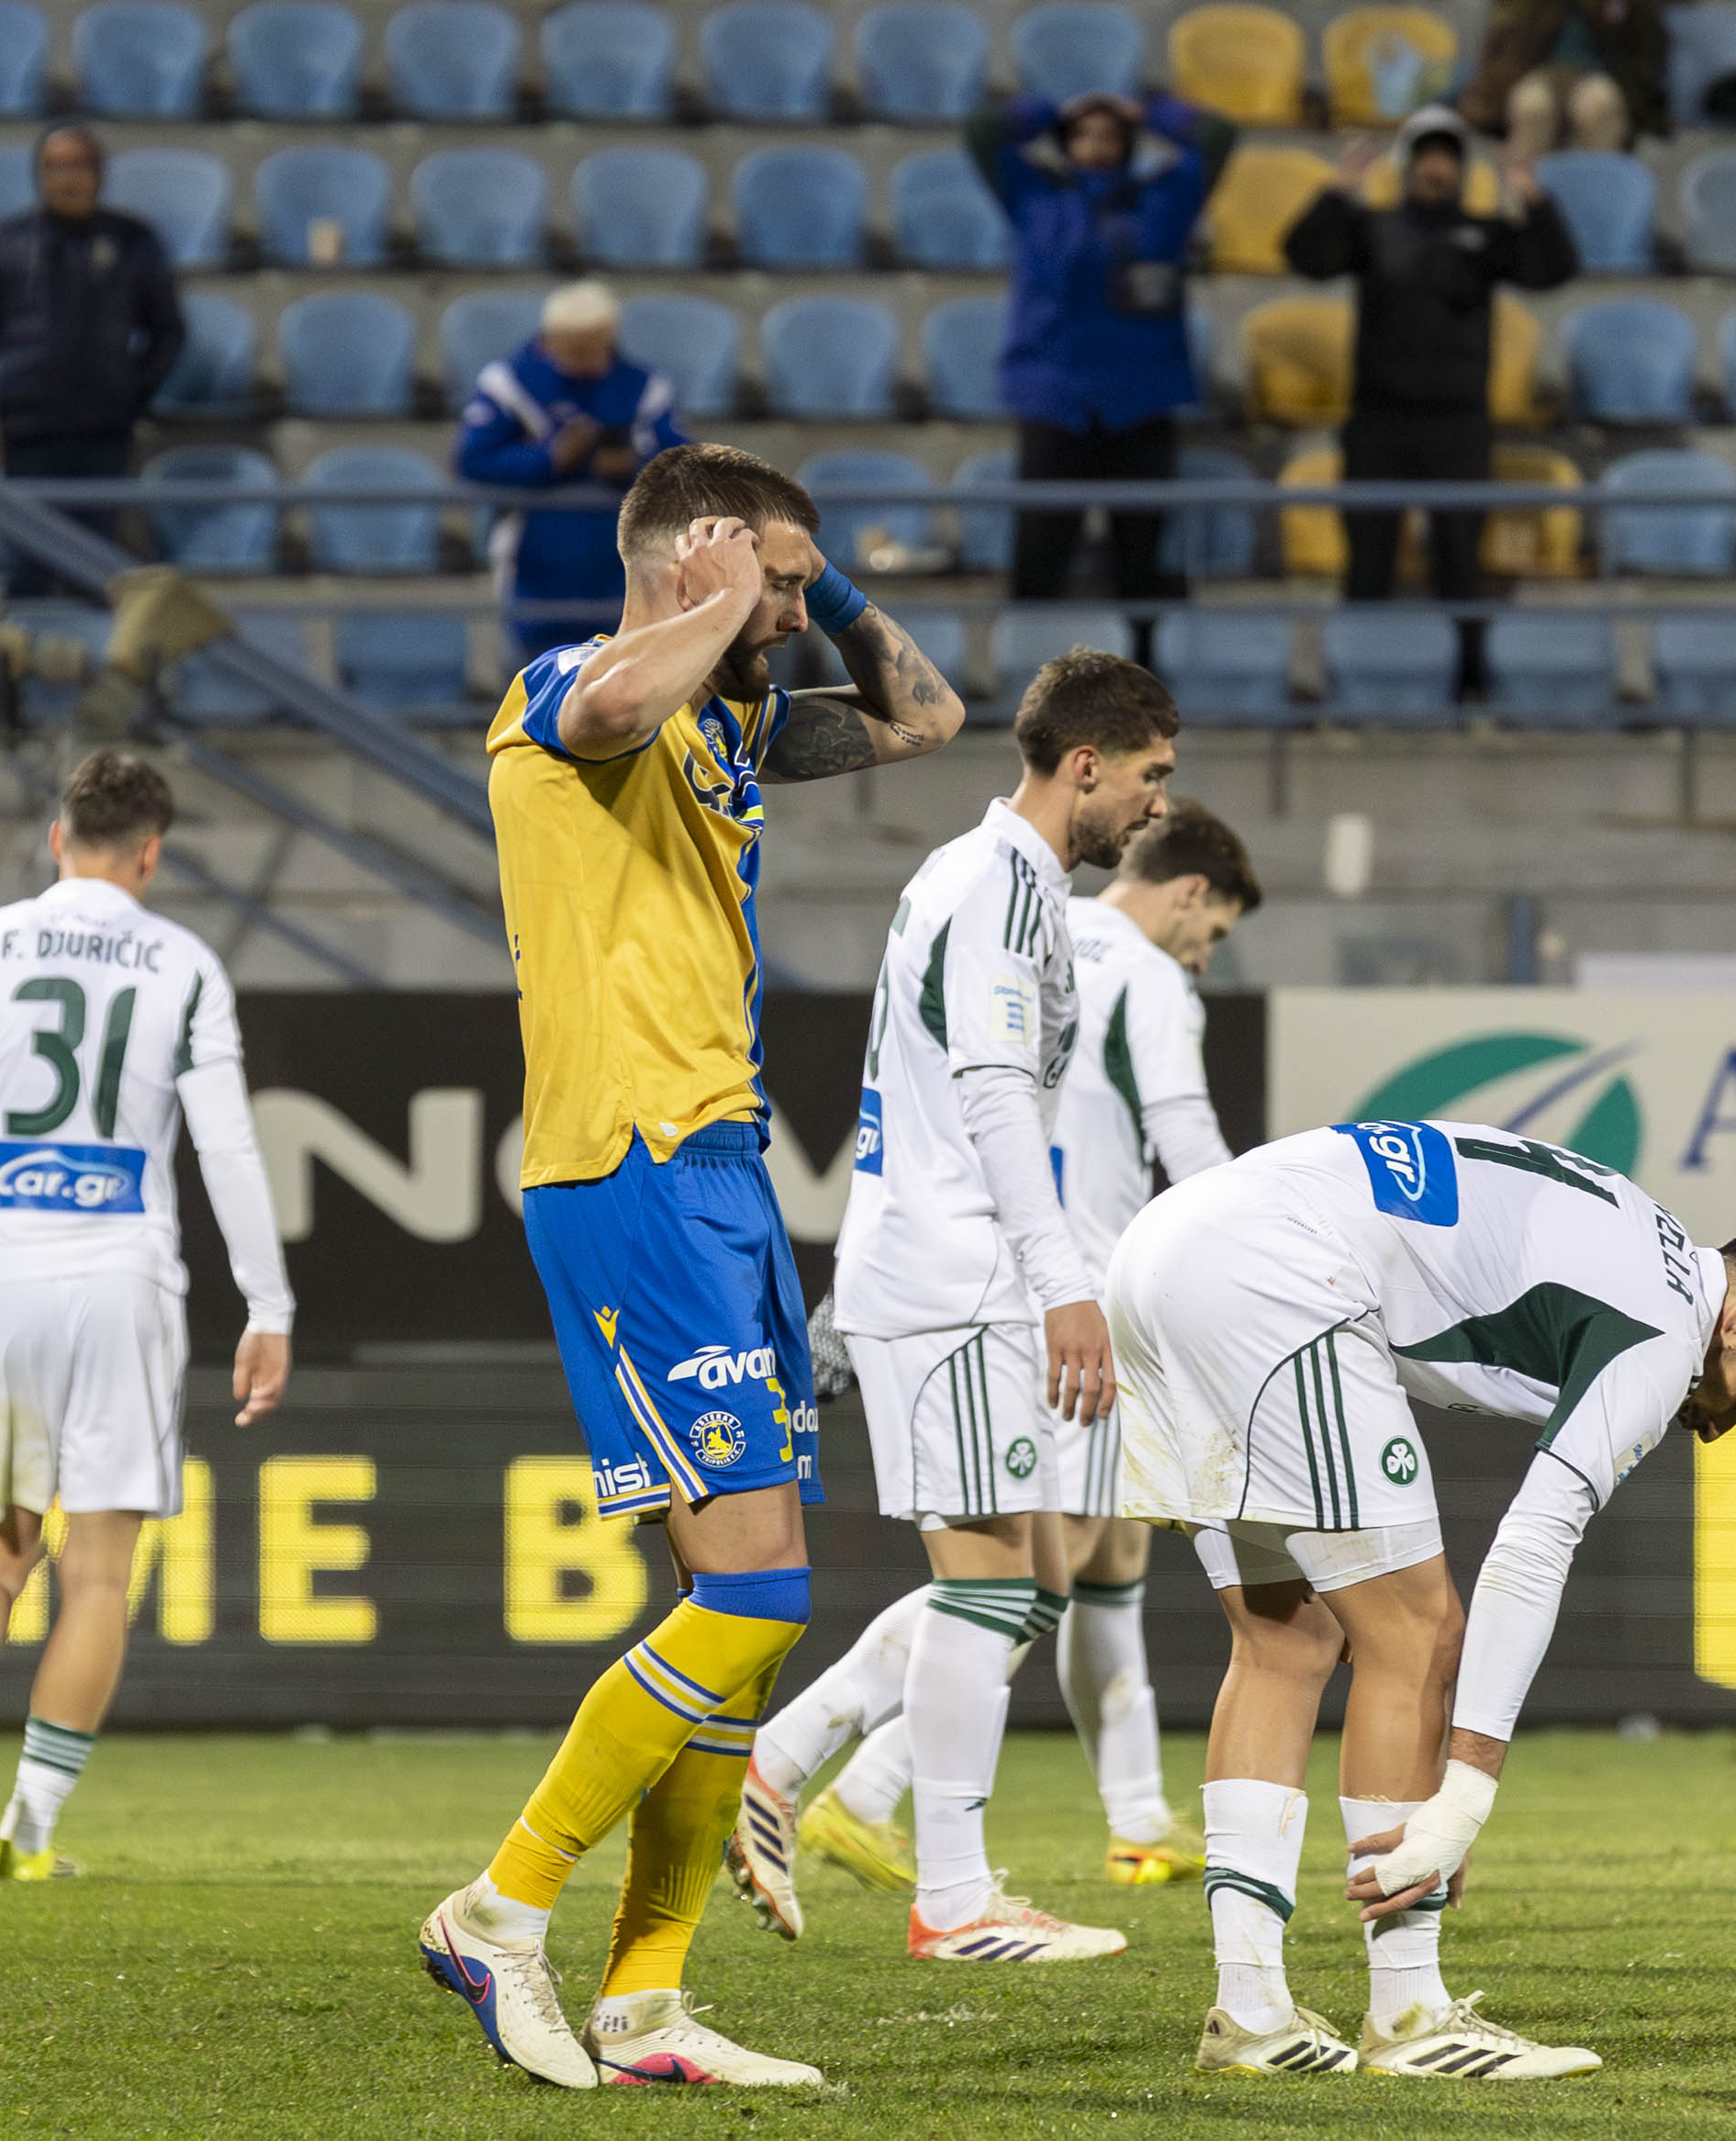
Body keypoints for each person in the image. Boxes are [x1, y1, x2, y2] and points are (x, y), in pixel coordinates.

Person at [418, 443, 965, 2091]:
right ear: (684, 565)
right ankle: (498, 1908)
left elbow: (930, 719)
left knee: (747, 1615)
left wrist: (817, 581)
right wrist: (723, 594)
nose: (791, 615)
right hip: (628, 1167)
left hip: (720, 1166)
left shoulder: (733, 722)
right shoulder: (563, 690)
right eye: (773, 585)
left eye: (799, 591)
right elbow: (606, 703)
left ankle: (645, 2001)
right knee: (752, 1595)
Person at [1108, 1119, 1736, 2079]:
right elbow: (1536, 1542)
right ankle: (1409, 2014)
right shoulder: (1667, 1329)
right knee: (1418, 1634)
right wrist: (1459, 1796)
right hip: (1274, 1275)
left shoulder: (1638, 1232)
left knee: (1285, 1642)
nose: (1715, 1428)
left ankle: (1251, 2010)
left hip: (1158, 1251)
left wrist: (1431, 1776)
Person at [736, 647, 1180, 1970]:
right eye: (1150, 775)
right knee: (989, 1586)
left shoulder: (1013, 883)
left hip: (961, 1271)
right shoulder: (992, 888)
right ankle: (953, 1898)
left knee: (1033, 1584)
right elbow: (990, 1094)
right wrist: (1065, 1286)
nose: (1157, 805)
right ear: (1086, 764)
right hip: (953, 1280)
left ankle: (782, 1764)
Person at [0, 750, 294, 1881]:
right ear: (152, 854)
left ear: (57, 839)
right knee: (97, 1575)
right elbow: (228, 1148)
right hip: (122, 1284)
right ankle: (31, 1833)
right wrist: (268, 1302)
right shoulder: (184, 966)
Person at [1281, 108, 1577, 703]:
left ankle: (1468, 685)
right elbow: (1304, 256)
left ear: (1461, 167)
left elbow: (1553, 269)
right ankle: (1358, 683)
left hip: (1458, 423)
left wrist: (1532, 199)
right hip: (1378, 420)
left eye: (1447, 155)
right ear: (1408, 164)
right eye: (1426, 154)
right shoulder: (1372, 226)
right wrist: (1337, 193)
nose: (1436, 166)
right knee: (1367, 563)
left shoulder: (1486, 234)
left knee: (1460, 562)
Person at [968, 91, 1237, 666]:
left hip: (1142, 399)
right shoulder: (1034, 193)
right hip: (1054, 399)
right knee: (1040, 558)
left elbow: (1218, 136)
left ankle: (1144, 680)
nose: (1096, 145)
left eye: (1110, 135)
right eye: (1083, 134)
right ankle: (1030, 676)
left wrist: (1151, 111)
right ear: (1065, 143)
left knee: (1141, 561)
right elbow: (984, 129)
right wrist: (1052, 111)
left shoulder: (1164, 197)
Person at [0, 124, 185, 599]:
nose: (69, 178)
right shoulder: (4, 244)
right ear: (40, 175)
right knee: (27, 569)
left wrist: (131, 392)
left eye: (79, 166)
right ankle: (26, 647)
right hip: (28, 434)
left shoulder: (134, 243)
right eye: (56, 166)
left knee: (96, 571)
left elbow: (169, 331)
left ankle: (88, 649)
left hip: (104, 435)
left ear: (98, 173)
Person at [455, 281, 684, 660]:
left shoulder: (642, 386)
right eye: (574, 351)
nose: (586, 363)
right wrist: (550, 458)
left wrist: (634, 468)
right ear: (550, 339)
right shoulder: (510, 383)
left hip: (623, 567)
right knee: (536, 680)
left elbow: (681, 464)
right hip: (535, 566)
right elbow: (474, 461)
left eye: (594, 350)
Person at [1463, 0, 1670, 155]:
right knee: (1532, 107)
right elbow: (1505, 37)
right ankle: (1522, 191)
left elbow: (1644, 45)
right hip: (1538, 73)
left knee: (1599, 105)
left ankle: (1599, 191)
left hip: (1596, 74)